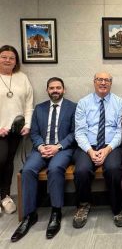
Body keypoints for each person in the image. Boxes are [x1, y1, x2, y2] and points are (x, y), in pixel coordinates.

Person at [11, 77, 77, 242]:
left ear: (64, 89)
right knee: (27, 170)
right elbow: (34, 133)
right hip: (40, 149)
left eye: (58, 88)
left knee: (55, 169)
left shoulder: (73, 107)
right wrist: (41, 147)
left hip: (62, 149)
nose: (55, 90)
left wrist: (57, 147)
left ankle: (56, 212)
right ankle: (29, 215)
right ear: (47, 90)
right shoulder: (39, 109)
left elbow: (75, 133)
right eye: (52, 88)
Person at [73, 72, 122, 228]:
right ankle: (83, 205)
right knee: (81, 170)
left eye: (107, 80)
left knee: (114, 168)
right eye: (100, 80)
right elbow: (80, 131)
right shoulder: (83, 103)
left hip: (111, 145)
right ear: (94, 82)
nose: (103, 82)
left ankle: (117, 208)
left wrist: (107, 149)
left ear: (111, 83)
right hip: (88, 145)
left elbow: (120, 131)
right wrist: (90, 151)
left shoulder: (119, 103)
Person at [0, 45, 33, 215]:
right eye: (4, 57)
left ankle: (5, 196)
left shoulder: (22, 78)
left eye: (11, 58)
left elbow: (29, 104)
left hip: (16, 130)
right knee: (1, 159)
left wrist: (27, 125)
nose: (7, 60)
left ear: (16, 61)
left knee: (8, 162)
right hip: (0, 129)